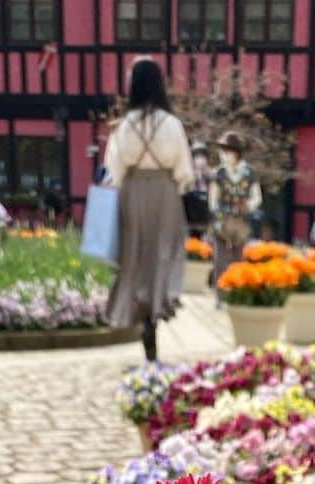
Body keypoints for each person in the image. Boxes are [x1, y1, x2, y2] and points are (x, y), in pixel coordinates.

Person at [104, 57, 193, 360]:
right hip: (165, 191)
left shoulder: (123, 126)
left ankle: (141, 314)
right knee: (164, 252)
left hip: (131, 191)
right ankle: (158, 308)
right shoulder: (172, 124)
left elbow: (113, 169)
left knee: (134, 255)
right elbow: (184, 170)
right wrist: (172, 186)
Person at [209, 131, 262, 290]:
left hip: (241, 220)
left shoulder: (249, 173)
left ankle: (235, 291)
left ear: (236, 153)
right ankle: (220, 293)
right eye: (221, 151)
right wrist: (218, 217)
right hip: (222, 220)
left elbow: (257, 197)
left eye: (226, 151)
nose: (222, 155)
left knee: (237, 258)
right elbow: (213, 199)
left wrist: (249, 206)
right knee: (220, 258)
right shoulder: (219, 173)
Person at [183, 141, 211, 235]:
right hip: (192, 211)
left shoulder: (210, 173)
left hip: (206, 209)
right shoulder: (188, 173)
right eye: (197, 157)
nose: (200, 160)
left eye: (202, 157)